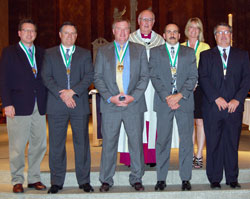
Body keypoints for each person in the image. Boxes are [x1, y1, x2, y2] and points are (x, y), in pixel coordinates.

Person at [94, 18, 149, 192]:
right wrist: (111, 98)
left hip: (134, 104)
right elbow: (98, 77)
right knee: (109, 143)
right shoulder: (104, 51)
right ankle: (106, 179)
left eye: (126, 29)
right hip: (111, 105)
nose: (123, 33)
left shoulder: (139, 50)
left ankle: (137, 177)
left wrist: (133, 96)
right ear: (113, 31)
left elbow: (144, 76)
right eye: (119, 29)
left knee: (136, 143)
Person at [41, 21, 94, 194]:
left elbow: (88, 76)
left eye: (73, 33)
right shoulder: (49, 54)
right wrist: (62, 94)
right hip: (57, 105)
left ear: (76, 36)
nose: (69, 36)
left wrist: (73, 92)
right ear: (60, 34)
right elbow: (46, 76)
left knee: (82, 144)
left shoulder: (85, 54)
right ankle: (56, 181)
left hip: (79, 104)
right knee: (56, 145)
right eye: (66, 33)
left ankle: (84, 181)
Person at [199, 22, 250, 189]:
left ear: (231, 35)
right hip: (213, 107)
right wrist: (216, 98)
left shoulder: (242, 55)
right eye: (219, 33)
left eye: (226, 32)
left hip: (234, 107)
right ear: (215, 37)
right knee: (213, 143)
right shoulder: (206, 55)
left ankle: (232, 178)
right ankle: (214, 178)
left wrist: (237, 99)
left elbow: (246, 80)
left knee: (231, 143)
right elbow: (204, 78)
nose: (223, 35)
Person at [0, 19, 47, 193]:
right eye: (26, 31)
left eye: (32, 31)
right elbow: (3, 80)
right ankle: (17, 179)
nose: (29, 34)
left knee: (39, 143)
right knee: (17, 146)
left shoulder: (42, 53)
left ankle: (34, 178)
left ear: (35, 34)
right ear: (19, 33)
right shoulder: (10, 52)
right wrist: (7, 103)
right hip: (18, 105)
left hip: (39, 105)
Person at [150, 23, 197, 191]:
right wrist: (167, 97)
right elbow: (154, 76)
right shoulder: (155, 52)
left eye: (175, 32)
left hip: (184, 101)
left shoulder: (189, 52)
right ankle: (161, 178)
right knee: (162, 141)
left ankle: (185, 178)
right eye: (168, 31)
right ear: (163, 35)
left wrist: (179, 95)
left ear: (179, 35)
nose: (171, 34)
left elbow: (193, 77)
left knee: (186, 141)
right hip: (164, 102)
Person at [118, 9, 165, 167]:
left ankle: (151, 156)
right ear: (138, 21)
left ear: (154, 22)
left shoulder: (160, 40)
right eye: (144, 19)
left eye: (150, 20)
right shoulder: (129, 38)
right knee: (134, 120)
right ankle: (131, 157)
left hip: (155, 87)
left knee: (153, 119)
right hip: (134, 86)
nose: (146, 22)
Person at [181, 17, 210, 169]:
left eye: (196, 28)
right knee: (188, 123)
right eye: (191, 27)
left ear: (200, 31)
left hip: (200, 89)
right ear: (187, 29)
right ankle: (191, 153)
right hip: (185, 89)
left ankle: (199, 154)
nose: (193, 30)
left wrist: (196, 82)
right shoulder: (180, 46)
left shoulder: (205, 47)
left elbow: (207, 69)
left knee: (200, 121)